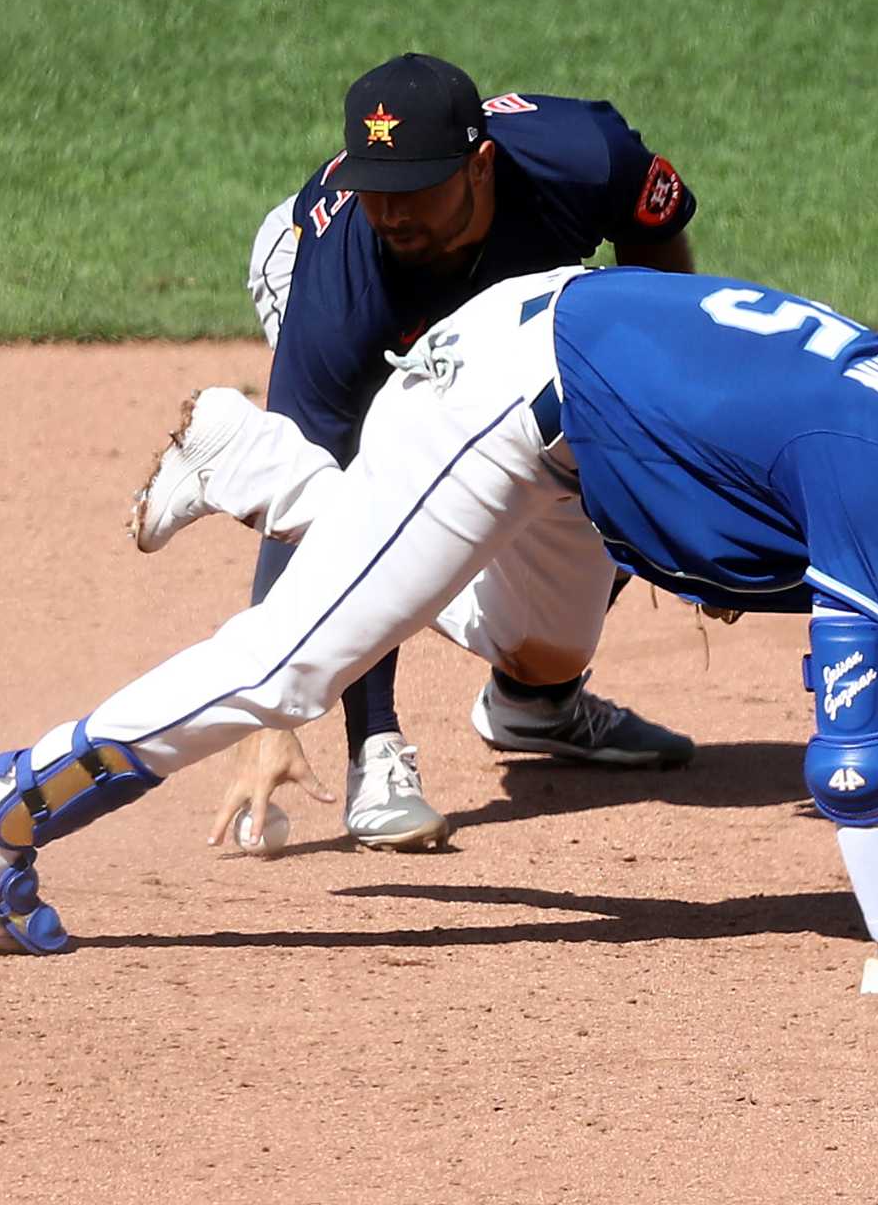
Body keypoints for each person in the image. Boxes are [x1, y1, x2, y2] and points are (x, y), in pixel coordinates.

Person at [0, 265, 878, 993]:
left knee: (541, 654)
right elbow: (849, 756)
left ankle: (285, 476)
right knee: (298, 664)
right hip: (505, 392)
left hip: (579, 438)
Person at [211, 52, 700, 854]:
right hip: (325, 288)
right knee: (384, 487)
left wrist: (671, 438)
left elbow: (663, 260)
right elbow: (303, 488)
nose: (392, 214)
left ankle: (534, 705)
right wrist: (274, 703)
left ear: (480, 166)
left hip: (492, 303)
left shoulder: (582, 157)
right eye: (374, 189)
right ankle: (375, 754)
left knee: (598, 456)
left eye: (414, 191)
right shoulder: (344, 284)